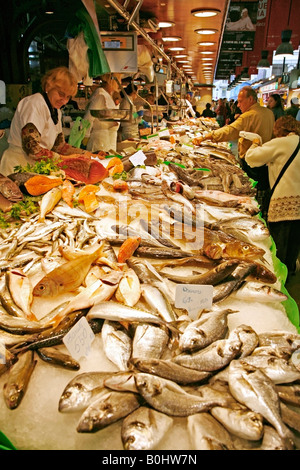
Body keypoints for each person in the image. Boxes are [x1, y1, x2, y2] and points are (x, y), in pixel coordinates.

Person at [193, 86, 274, 217]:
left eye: (241, 101)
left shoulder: (249, 115)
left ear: (251, 99)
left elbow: (230, 131)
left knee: (249, 189)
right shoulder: (268, 113)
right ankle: (263, 210)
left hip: (252, 159)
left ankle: (253, 211)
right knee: (263, 186)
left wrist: (205, 137)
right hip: (266, 159)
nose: (238, 104)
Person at [0, 67, 90, 176]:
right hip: (17, 167)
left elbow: (59, 146)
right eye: (61, 94)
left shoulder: (56, 111)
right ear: (48, 87)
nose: (65, 101)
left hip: (36, 167)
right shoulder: (34, 104)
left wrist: (86, 154)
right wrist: (65, 159)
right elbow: (32, 149)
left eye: (68, 97)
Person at [245, 115, 300, 277]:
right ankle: (290, 270)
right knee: (294, 243)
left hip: (284, 203)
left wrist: (254, 143)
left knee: (280, 245)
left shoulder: (281, 142)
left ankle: (278, 278)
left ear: (279, 130)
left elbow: (252, 158)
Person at [84, 73, 121, 153]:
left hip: (108, 139)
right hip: (99, 139)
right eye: (119, 79)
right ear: (112, 81)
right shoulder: (100, 95)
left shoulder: (110, 95)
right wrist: (85, 135)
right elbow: (89, 117)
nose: (120, 83)